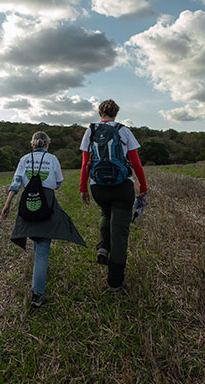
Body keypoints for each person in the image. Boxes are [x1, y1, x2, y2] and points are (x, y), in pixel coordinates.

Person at [1, 132, 86, 307]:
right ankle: (37, 294)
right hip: (46, 202)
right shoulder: (53, 159)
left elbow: (16, 183)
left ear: (32, 145)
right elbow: (58, 183)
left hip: (28, 200)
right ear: (47, 145)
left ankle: (37, 282)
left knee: (36, 241)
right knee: (42, 249)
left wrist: (7, 204)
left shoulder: (24, 159)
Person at [79, 99, 147, 293]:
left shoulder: (90, 130)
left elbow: (85, 163)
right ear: (116, 113)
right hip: (122, 186)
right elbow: (136, 163)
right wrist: (143, 185)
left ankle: (103, 246)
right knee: (120, 233)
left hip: (98, 186)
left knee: (105, 213)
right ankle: (115, 283)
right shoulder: (124, 131)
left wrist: (83, 187)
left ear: (100, 112)